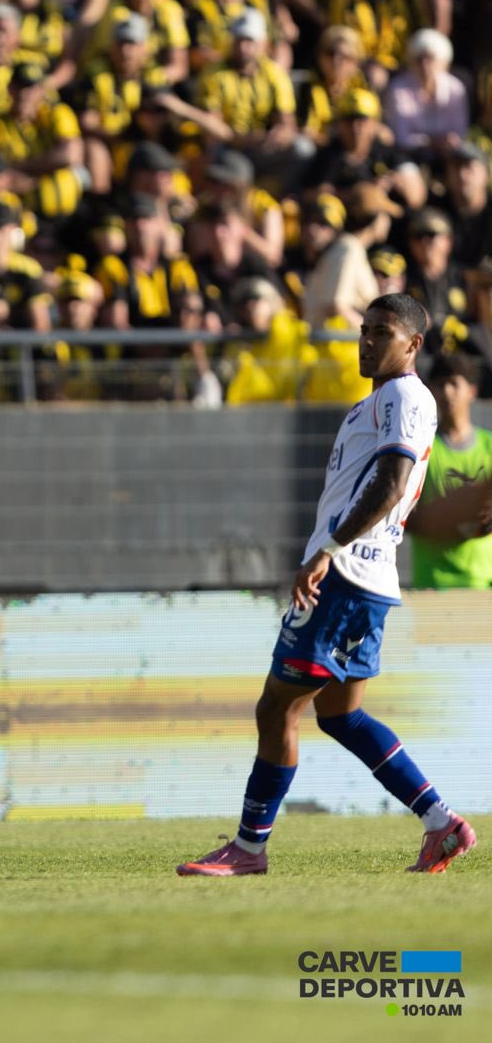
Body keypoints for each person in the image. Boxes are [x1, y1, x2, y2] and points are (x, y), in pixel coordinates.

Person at [178, 293, 476, 878]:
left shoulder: (405, 396)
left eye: (382, 333)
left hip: (347, 576)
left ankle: (249, 848)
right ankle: (441, 823)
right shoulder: (371, 404)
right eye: (364, 330)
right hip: (363, 577)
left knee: (276, 708)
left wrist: (329, 551)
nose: (367, 341)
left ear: (413, 345)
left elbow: (392, 483)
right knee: (339, 716)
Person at [409, 352, 492, 589]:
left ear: (472, 391)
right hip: (432, 583)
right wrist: (449, 516)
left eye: (454, 383)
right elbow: (403, 516)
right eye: (439, 384)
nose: (446, 392)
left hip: (483, 582)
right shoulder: (420, 448)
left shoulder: (489, 447)